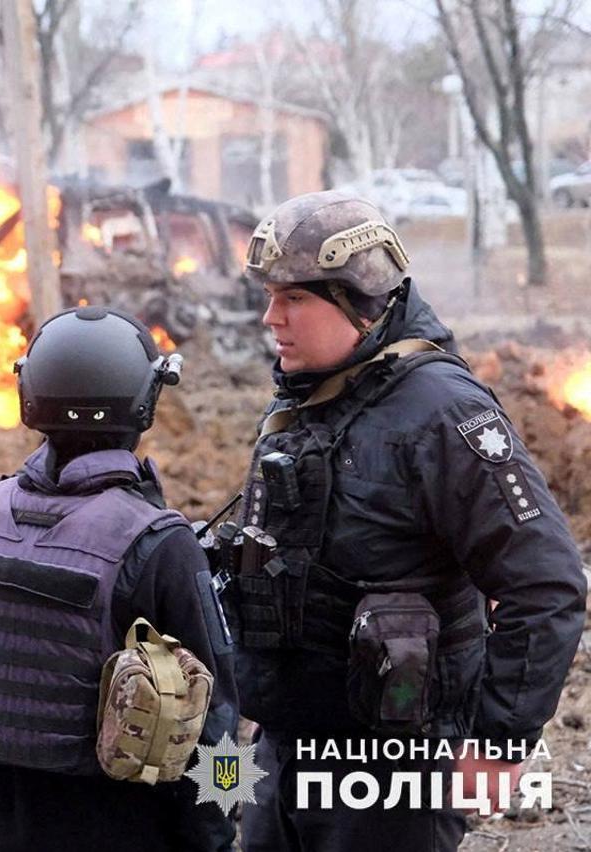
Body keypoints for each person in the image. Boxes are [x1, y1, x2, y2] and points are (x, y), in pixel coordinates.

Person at [227, 190, 587, 851]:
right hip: (287, 751)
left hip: (398, 769)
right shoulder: (312, 400)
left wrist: (498, 744)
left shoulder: (441, 414)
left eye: (295, 299)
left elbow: (548, 583)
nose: (271, 318)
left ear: (361, 304)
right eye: (269, 296)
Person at [0, 305, 239, 852]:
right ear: (145, 403)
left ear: (30, 396)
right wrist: (218, 830)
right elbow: (215, 724)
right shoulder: (160, 544)